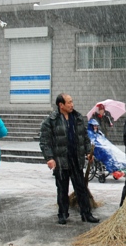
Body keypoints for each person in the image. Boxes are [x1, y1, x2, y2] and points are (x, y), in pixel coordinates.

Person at [39, 93, 100, 225]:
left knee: (81, 188)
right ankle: (62, 214)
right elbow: (45, 142)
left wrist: (88, 152)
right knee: (62, 189)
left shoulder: (77, 118)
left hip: (76, 160)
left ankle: (86, 213)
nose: (72, 105)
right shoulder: (51, 121)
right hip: (61, 161)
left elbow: (84, 137)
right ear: (61, 105)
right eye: (69, 102)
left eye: (72, 102)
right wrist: (49, 158)